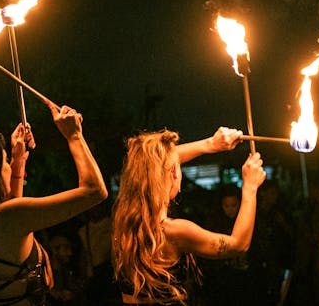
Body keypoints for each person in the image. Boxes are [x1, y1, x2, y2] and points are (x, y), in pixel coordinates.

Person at [0, 104, 108, 306]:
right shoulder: (8, 218)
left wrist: (18, 159)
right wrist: (74, 135)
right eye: (5, 161)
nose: (8, 167)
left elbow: (10, 232)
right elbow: (94, 191)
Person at [111, 127, 266, 305]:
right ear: (175, 173)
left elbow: (148, 163)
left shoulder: (123, 219)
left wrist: (211, 144)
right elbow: (238, 245)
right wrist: (250, 188)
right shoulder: (174, 232)